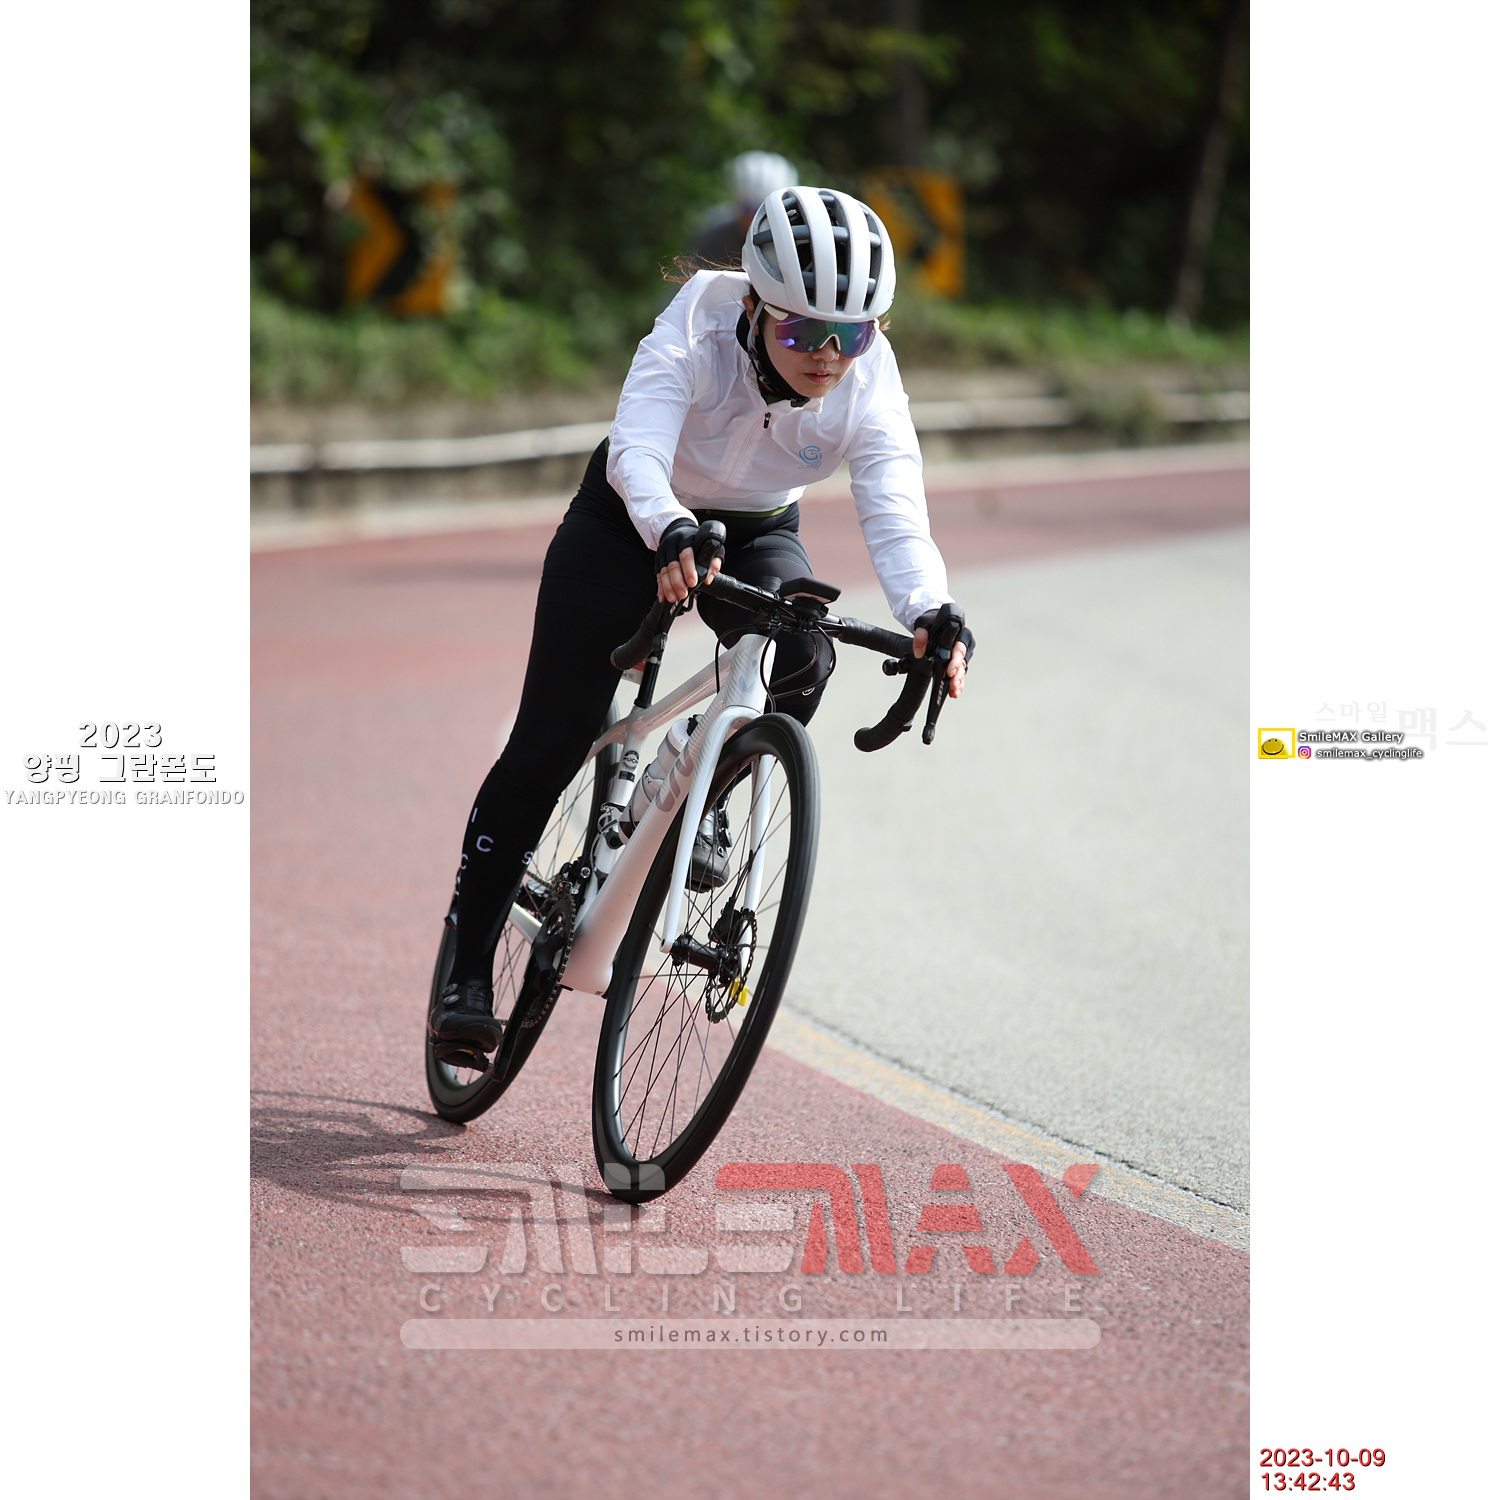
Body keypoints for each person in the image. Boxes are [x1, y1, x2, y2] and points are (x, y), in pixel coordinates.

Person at [429, 185, 975, 1057]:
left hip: (758, 528)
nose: (828, 356)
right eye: (803, 332)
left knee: (803, 657)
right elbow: (638, 446)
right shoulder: (697, 319)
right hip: (629, 518)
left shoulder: (870, 375)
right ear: (755, 308)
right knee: (551, 740)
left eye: (852, 335)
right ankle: (464, 969)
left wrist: (929, 610)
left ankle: (702, 780)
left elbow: (895, 504)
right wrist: (670, 528)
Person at [687, 150, 797, 269]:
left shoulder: (797, 237)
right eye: (748, 209)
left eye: (766, 211)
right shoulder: (714, 235)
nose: (755, 218)